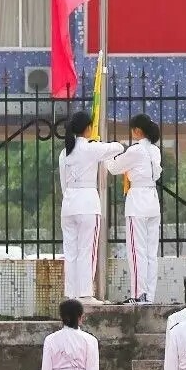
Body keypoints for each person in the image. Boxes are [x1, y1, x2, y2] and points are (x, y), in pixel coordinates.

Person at [58, 110, 124, 304]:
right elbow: (118, 147)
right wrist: (96, 142)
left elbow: (63, 183)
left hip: (69, 204)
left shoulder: (65, 153)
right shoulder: (90, 148)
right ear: (88, 128)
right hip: (87, 203)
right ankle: (85, 293)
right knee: (87, 249)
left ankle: (71, 294)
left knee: (70, 252)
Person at [105, 112, 162, 304]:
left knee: (136, 251)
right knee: (151, 253)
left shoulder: (135, 150)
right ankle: (150, 296)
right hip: (153, 200)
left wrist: (105, 153)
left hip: (137, 201)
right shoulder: (155, 150)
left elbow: (113, 168)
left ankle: (138, 294)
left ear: (137, 131)